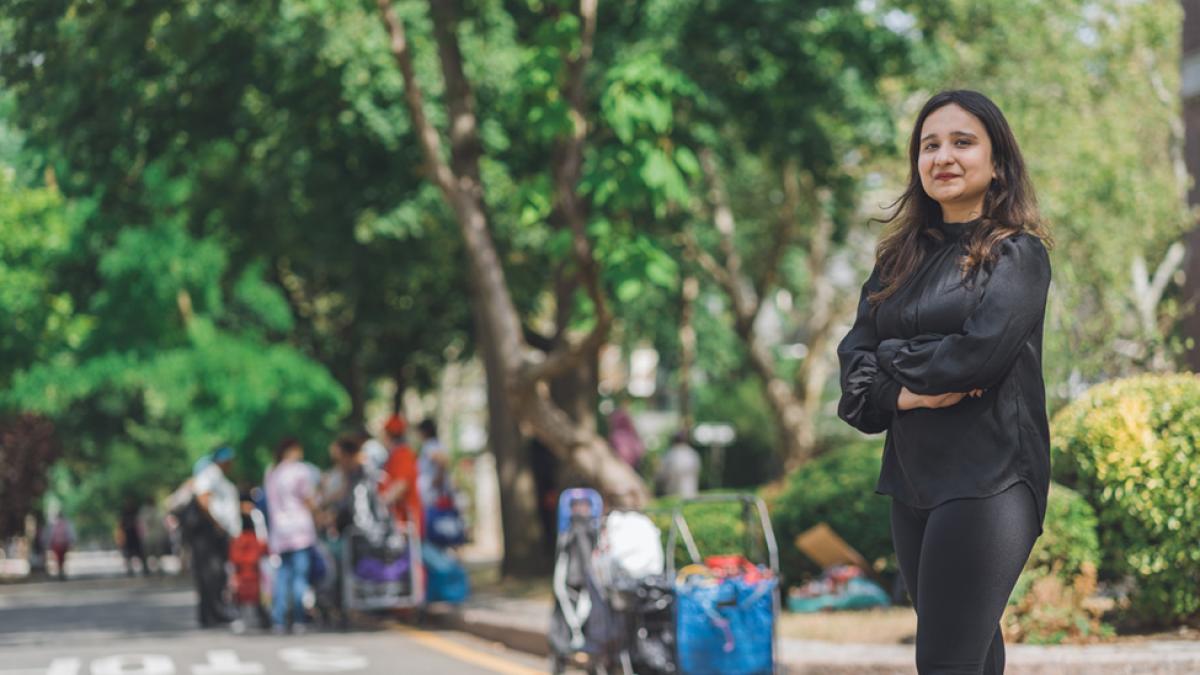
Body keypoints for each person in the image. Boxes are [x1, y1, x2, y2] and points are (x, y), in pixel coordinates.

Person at [836, 90, 1053, 675]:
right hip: (911, 481)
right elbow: (853, 370)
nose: (943, 157)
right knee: (971, 655)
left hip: (991, 479)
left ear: (997, 162)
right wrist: (906, 391)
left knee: (943, 661)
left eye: (962, 142)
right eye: (929, 145)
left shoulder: (1017, 256)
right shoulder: (898, 259)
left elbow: (975, 360)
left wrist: (889, 357)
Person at [264, 437, 318, 634]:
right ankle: (298, 618)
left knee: (282, 576)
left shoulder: (272, 472)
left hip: (280, 530)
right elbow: (308, 499)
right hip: (300, 529)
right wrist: (319, 515)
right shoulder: (299, 471)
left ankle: (278, 619)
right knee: (299, 577)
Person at [192, 445, 242, 628]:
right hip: (208, 534)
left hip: (215, 533)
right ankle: (213, 612)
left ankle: (213, 613)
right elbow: (203, 498)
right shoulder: (210, 473)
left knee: (216, 574)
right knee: (211, 574)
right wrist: (217, 523)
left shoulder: (218, 476)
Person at [379, 414, 423, 537]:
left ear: (388, 435)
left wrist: (380, 503)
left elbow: (401, 485)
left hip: (406, 520)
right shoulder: (395, 455)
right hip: (401, 521)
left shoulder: (402, 454)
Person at [416, 418, 450, 510]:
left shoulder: (430, 445)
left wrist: (438, 479)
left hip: (433, 498)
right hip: (432, 497)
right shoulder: (435, 444)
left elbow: (443, 461)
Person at [656, 431, 702, 498]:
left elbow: (662, 474)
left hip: (672, 493)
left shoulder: (670, 454)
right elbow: (697, 471)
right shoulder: (693, 454)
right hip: (690, 492)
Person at [607, 399, 646, 468]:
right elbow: (640, 451)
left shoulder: (615, 436)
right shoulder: (632, 435)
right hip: (632, 466)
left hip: (622, 467)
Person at [119, 497, 149, 576]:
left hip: (135, 535)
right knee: (128, 554)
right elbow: (121, 525)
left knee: (140, 553)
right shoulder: (124, 513)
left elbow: (140, 523)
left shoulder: (135, 512)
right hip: (128, 536)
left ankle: (145, 568)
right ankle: (129, 569)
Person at [43, 511, 75, 580]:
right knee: (62, 558)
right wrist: (71, 542)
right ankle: (61, 571)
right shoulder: (66, 524)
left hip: (56, 544)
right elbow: (70, 533)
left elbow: (50, 535)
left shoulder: (54, 524)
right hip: (63, 544)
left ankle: (61, 570)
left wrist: (48, 544)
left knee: (58, 558)